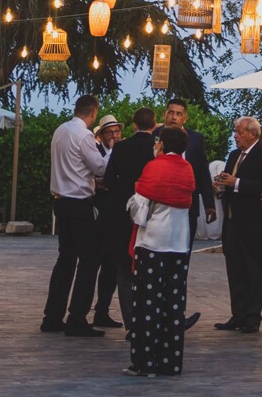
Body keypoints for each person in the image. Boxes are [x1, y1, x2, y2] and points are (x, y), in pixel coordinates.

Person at [122, 125, 198, 377]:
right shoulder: (187, 169)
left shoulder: (154, 167)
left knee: (147, 305)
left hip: (153, 244)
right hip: (179, 244)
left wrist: (134, 194)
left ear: (162, 144)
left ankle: (145, 363)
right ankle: (170, 362)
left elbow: (140, 213)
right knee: (173, 305)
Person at [42, 93, 108, 337]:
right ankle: (77, 317)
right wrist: (111, 153)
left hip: (60, 201)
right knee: (90, 258)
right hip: (79, 203)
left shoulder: (60, 131)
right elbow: (99, 167)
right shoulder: (85, 135)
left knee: (66, 258)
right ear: (92, 113)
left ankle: (52, 316)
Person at [213, 115, 262, 333]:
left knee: (254, 271)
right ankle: (237, 313)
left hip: (253, 224)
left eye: (239, 132)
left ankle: (253, 316)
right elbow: (231, 184)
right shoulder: (234, 155)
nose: (235, 135)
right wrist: (222, 185)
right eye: (235, 131)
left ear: (253, 134)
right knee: (235, 269)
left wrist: (236, 182)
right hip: (233, 222)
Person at [90, 110, 148, 328]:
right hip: (105, 211)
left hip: (119, 210)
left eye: (117, 130)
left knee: (115, 266)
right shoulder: (97, 150)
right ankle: (101, 309)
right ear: (102, 135)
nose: (114, 134)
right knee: (107, 263)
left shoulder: (122, 149)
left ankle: (103, 310)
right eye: (110, 132)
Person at [159, 98, 216, 237]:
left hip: (188, 205)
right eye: (170, 113)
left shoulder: (195, 139)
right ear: (164, 114)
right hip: (161, 204)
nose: (174, 117)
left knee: (185, 248)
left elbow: (203, 171)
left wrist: (209, 205)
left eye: (178, 114)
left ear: (185, 118)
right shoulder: (155, 136)